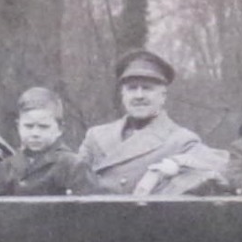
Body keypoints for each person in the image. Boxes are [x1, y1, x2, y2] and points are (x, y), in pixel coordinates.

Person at [78, 49, 227, 195]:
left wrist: (175, 164)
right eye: (132, 88)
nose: (139, 95)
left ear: (163, 96)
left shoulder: (179, 140)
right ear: (122, 95)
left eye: (147, 89)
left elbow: (223, 164)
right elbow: (74, 175)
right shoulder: (96, 136)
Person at [0, 87, 102, 196]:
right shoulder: (6, 168)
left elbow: (89, 211)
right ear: (18, 126)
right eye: (28, 126)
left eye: (43, 127)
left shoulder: (73, 167)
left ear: (60, 129)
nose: (35, 133)